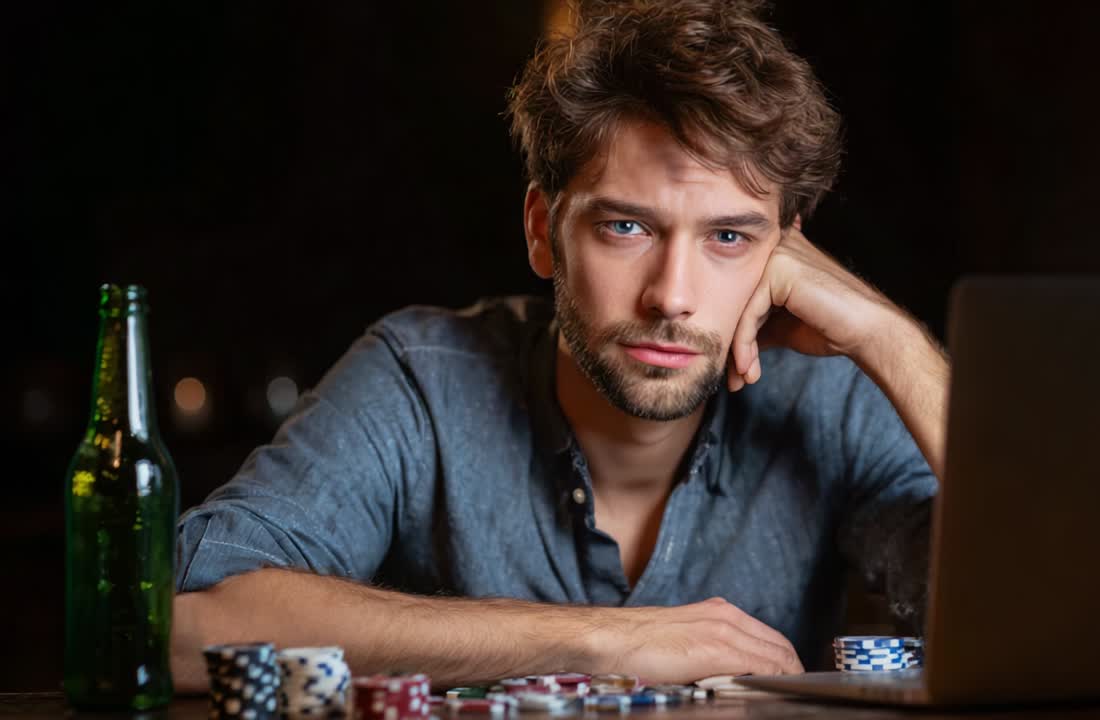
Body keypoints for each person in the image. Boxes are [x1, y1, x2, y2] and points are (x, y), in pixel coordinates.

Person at [170, 0, 948, 691]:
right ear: (543, 231)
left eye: (729, 237)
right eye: (626, 227)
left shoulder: (832, 398)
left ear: (787, 254)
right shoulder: (421, 378)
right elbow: (182, 622)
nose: (672, 295)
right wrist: (600, 641)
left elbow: (1056, 613)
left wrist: (887, 337)